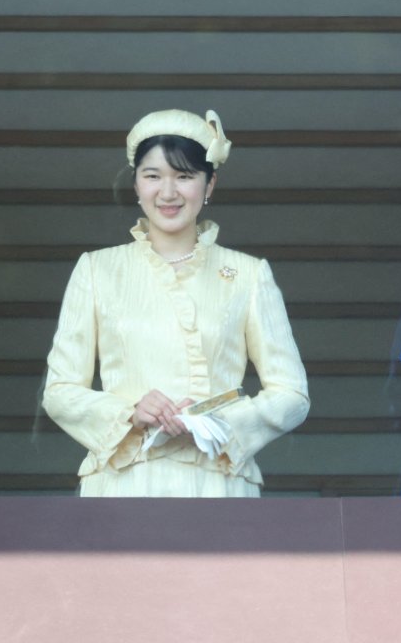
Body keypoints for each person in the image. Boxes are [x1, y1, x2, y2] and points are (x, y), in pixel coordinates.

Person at [42, 109, 310, 497]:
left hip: (218, 482)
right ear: (136, 184)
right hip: (121, 484)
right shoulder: (97, 269)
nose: (167, 193)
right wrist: (129, 413)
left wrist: (216, 424)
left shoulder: (249, 274)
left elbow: (292, 394)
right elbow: (60, 390)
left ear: (209, 185)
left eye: (184, 176)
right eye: (153, 176)